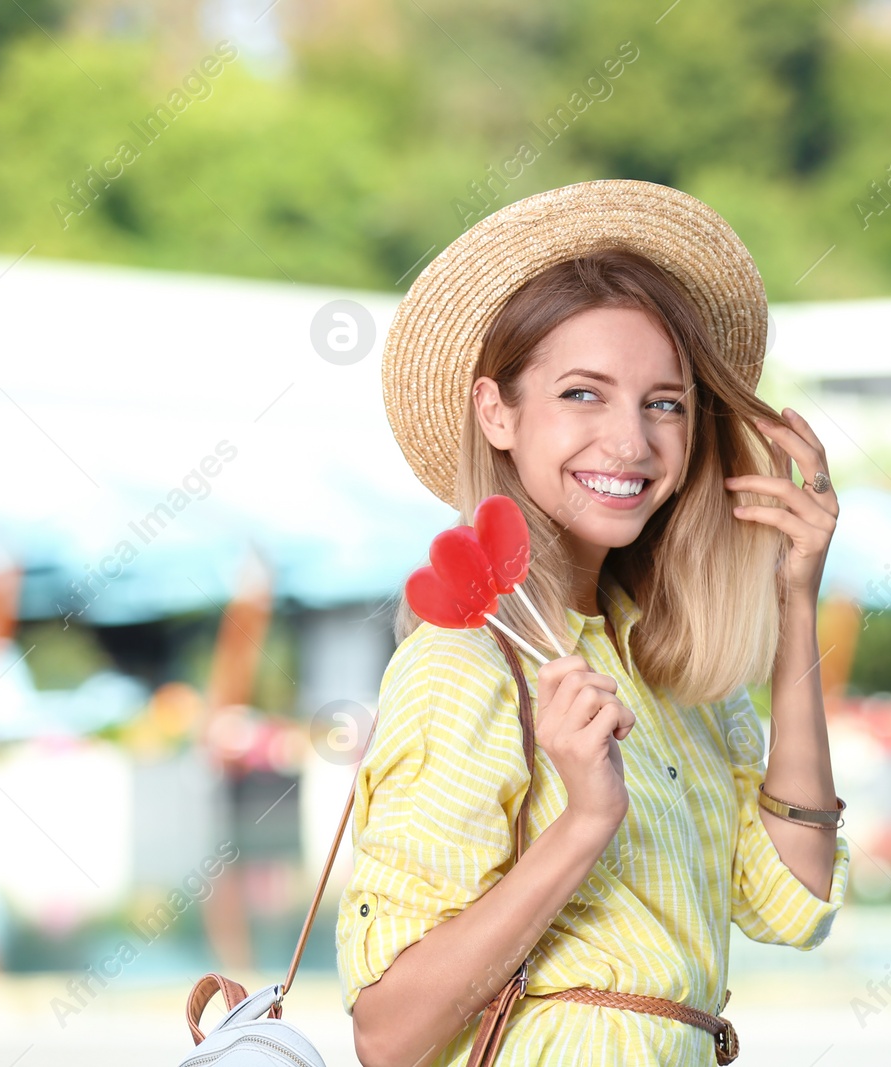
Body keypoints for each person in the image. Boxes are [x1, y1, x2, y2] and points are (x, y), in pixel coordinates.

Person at [337, 180, 850, 1067]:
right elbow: (387, 1036)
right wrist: (585, 819)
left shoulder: (670, 668)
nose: (631, 442)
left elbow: (794, 899)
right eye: (583, 394)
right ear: (497, 412)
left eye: (665, 402)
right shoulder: (465, 667)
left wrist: (795, 599)